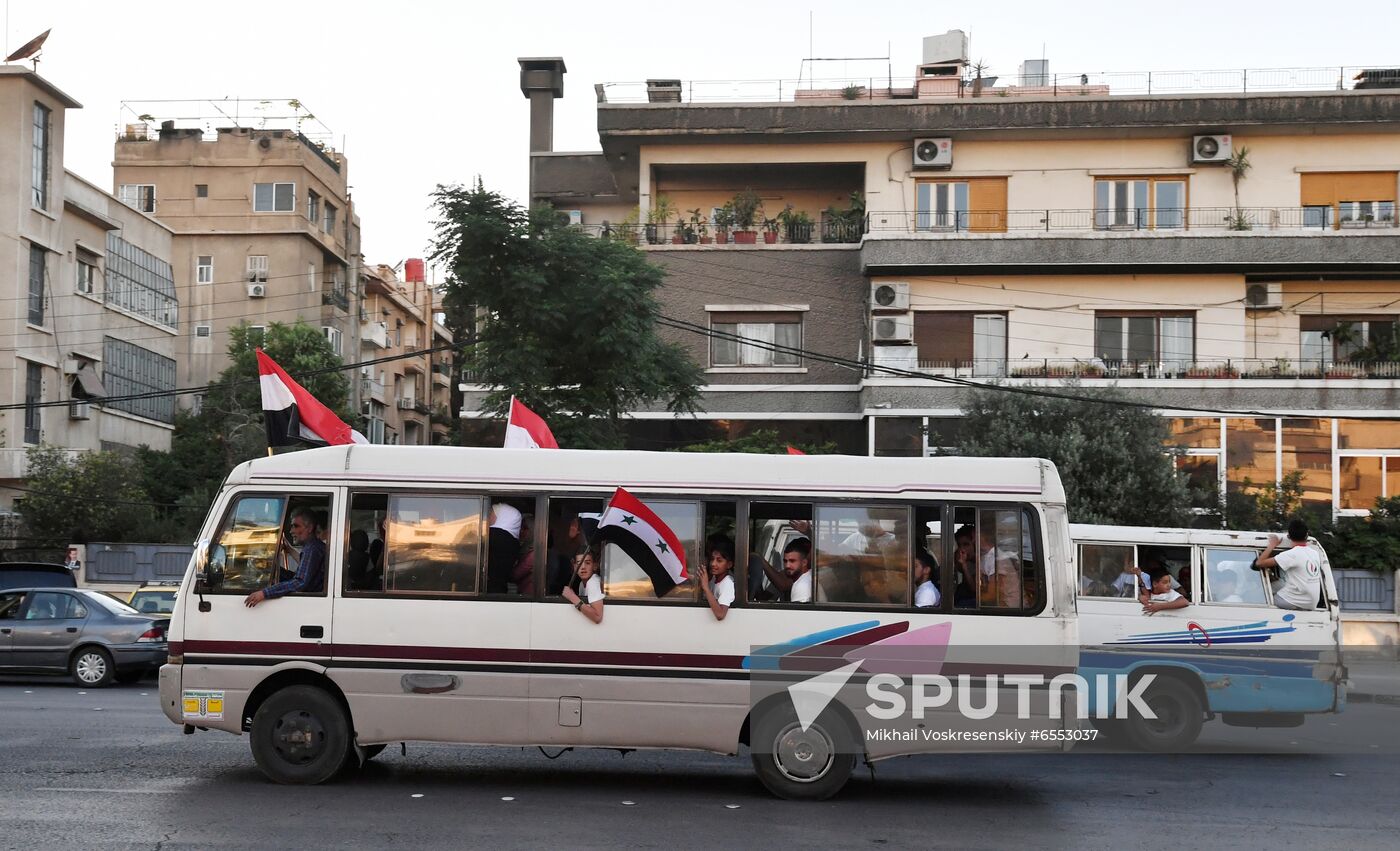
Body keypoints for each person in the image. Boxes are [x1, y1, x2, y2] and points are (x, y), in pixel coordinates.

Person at [245, 508, 326, 607]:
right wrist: (271, 568)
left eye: (296, 526)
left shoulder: (312, 549)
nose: (291, 531)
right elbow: (300, 576)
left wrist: (264, 593)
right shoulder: (314, 547)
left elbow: (300, 582)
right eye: (291, 526)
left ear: (309, 528)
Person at [1253, 519, 1322, 611]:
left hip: (1293, 601)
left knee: (1263, 599)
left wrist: (1272, 545)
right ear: (1307, 535)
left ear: (1289, 536)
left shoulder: (1292, 554)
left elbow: (1259, 563)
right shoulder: (1315, 553)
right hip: (1312, 603)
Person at [978, 524, 1024, 608]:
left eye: (974, 537)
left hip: (1010, 606)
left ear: (983, 538)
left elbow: (991, 595)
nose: (973, 540)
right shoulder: (985, 557)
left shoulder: (998, 558)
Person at [486, 504, 523, 595]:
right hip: (499, 590)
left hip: (485, 590)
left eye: (491, 514)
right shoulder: (514, 543)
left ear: (502, 516)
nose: (487, 517)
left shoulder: (489, 536)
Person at [561, 549, 604, 624]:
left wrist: (572, 597)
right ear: (574, 567)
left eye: (587, 563)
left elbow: (597, 617)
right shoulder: (582, 584)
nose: (583, 567)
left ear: (595, 566)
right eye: (579, 563)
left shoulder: (593, 582)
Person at [699, 539, 737, 621]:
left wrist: (706, 588)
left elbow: (720, 614)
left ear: (729, 564)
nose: (713, 564)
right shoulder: (714, 578)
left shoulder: (727, 583)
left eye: (719, 561)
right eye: (712, 559)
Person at [952, 525, 978, 607]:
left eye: (966, 544)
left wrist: (964, 565)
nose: (962, 549)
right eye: (960, 545)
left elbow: (974, 589)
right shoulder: (965, 560)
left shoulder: (981, 562)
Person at [784, 538, 813, 603]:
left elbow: (799, 613)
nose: (787, 565)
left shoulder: (802, 586)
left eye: (792, 561)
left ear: (804, 563)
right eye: (785, 561)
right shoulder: (808, 577)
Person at [512, 515, 536, 597]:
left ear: (533, 531)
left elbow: (515, 574)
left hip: (528, 596)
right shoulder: (525, 548)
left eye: (525, 528)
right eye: (520, 527)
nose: (521, 531)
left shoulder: (534, 553)